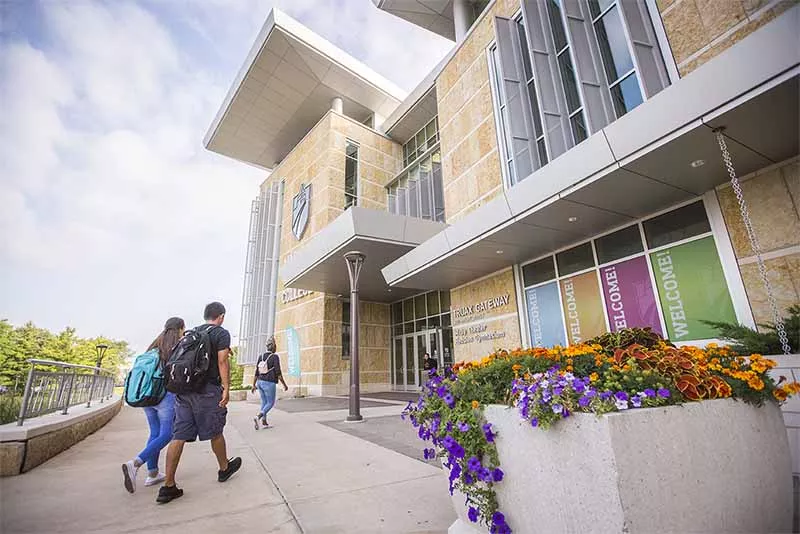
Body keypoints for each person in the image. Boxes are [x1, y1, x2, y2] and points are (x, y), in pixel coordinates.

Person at [158, 302, 242, 504]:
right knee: (215, 430)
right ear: (221, 316)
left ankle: (168, 486)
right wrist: (226, 387)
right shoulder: (221, 333)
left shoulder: (192, 333)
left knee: (178, 435)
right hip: (207, 390)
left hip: (184, 390)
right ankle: (224, 468)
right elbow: (222, 361)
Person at [121, 317, 183, 494]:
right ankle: (136, 463)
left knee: (155, 433)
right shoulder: (175, 346)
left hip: (147, 396)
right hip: (165, 396)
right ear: (180, 328)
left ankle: (153, 473)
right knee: (167, 433)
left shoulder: (155, 345)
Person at [251, 335, 288, 430]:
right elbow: (278, 372)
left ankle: (264, 421)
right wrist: (284, 384)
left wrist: (253, 385)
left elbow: (256, 371)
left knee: (264, 402)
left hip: (259, 382)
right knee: (270, 403)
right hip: (269, 383)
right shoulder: (275, 357)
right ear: (274, 347)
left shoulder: (261, 356)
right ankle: (258, 417)